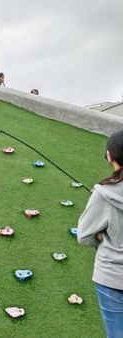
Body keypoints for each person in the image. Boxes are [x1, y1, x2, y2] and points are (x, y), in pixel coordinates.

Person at [78, 130, 123, 337]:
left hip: (113, 278)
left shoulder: (103, 193)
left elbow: (85, 236)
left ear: (109, 156)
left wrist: (101, 237)